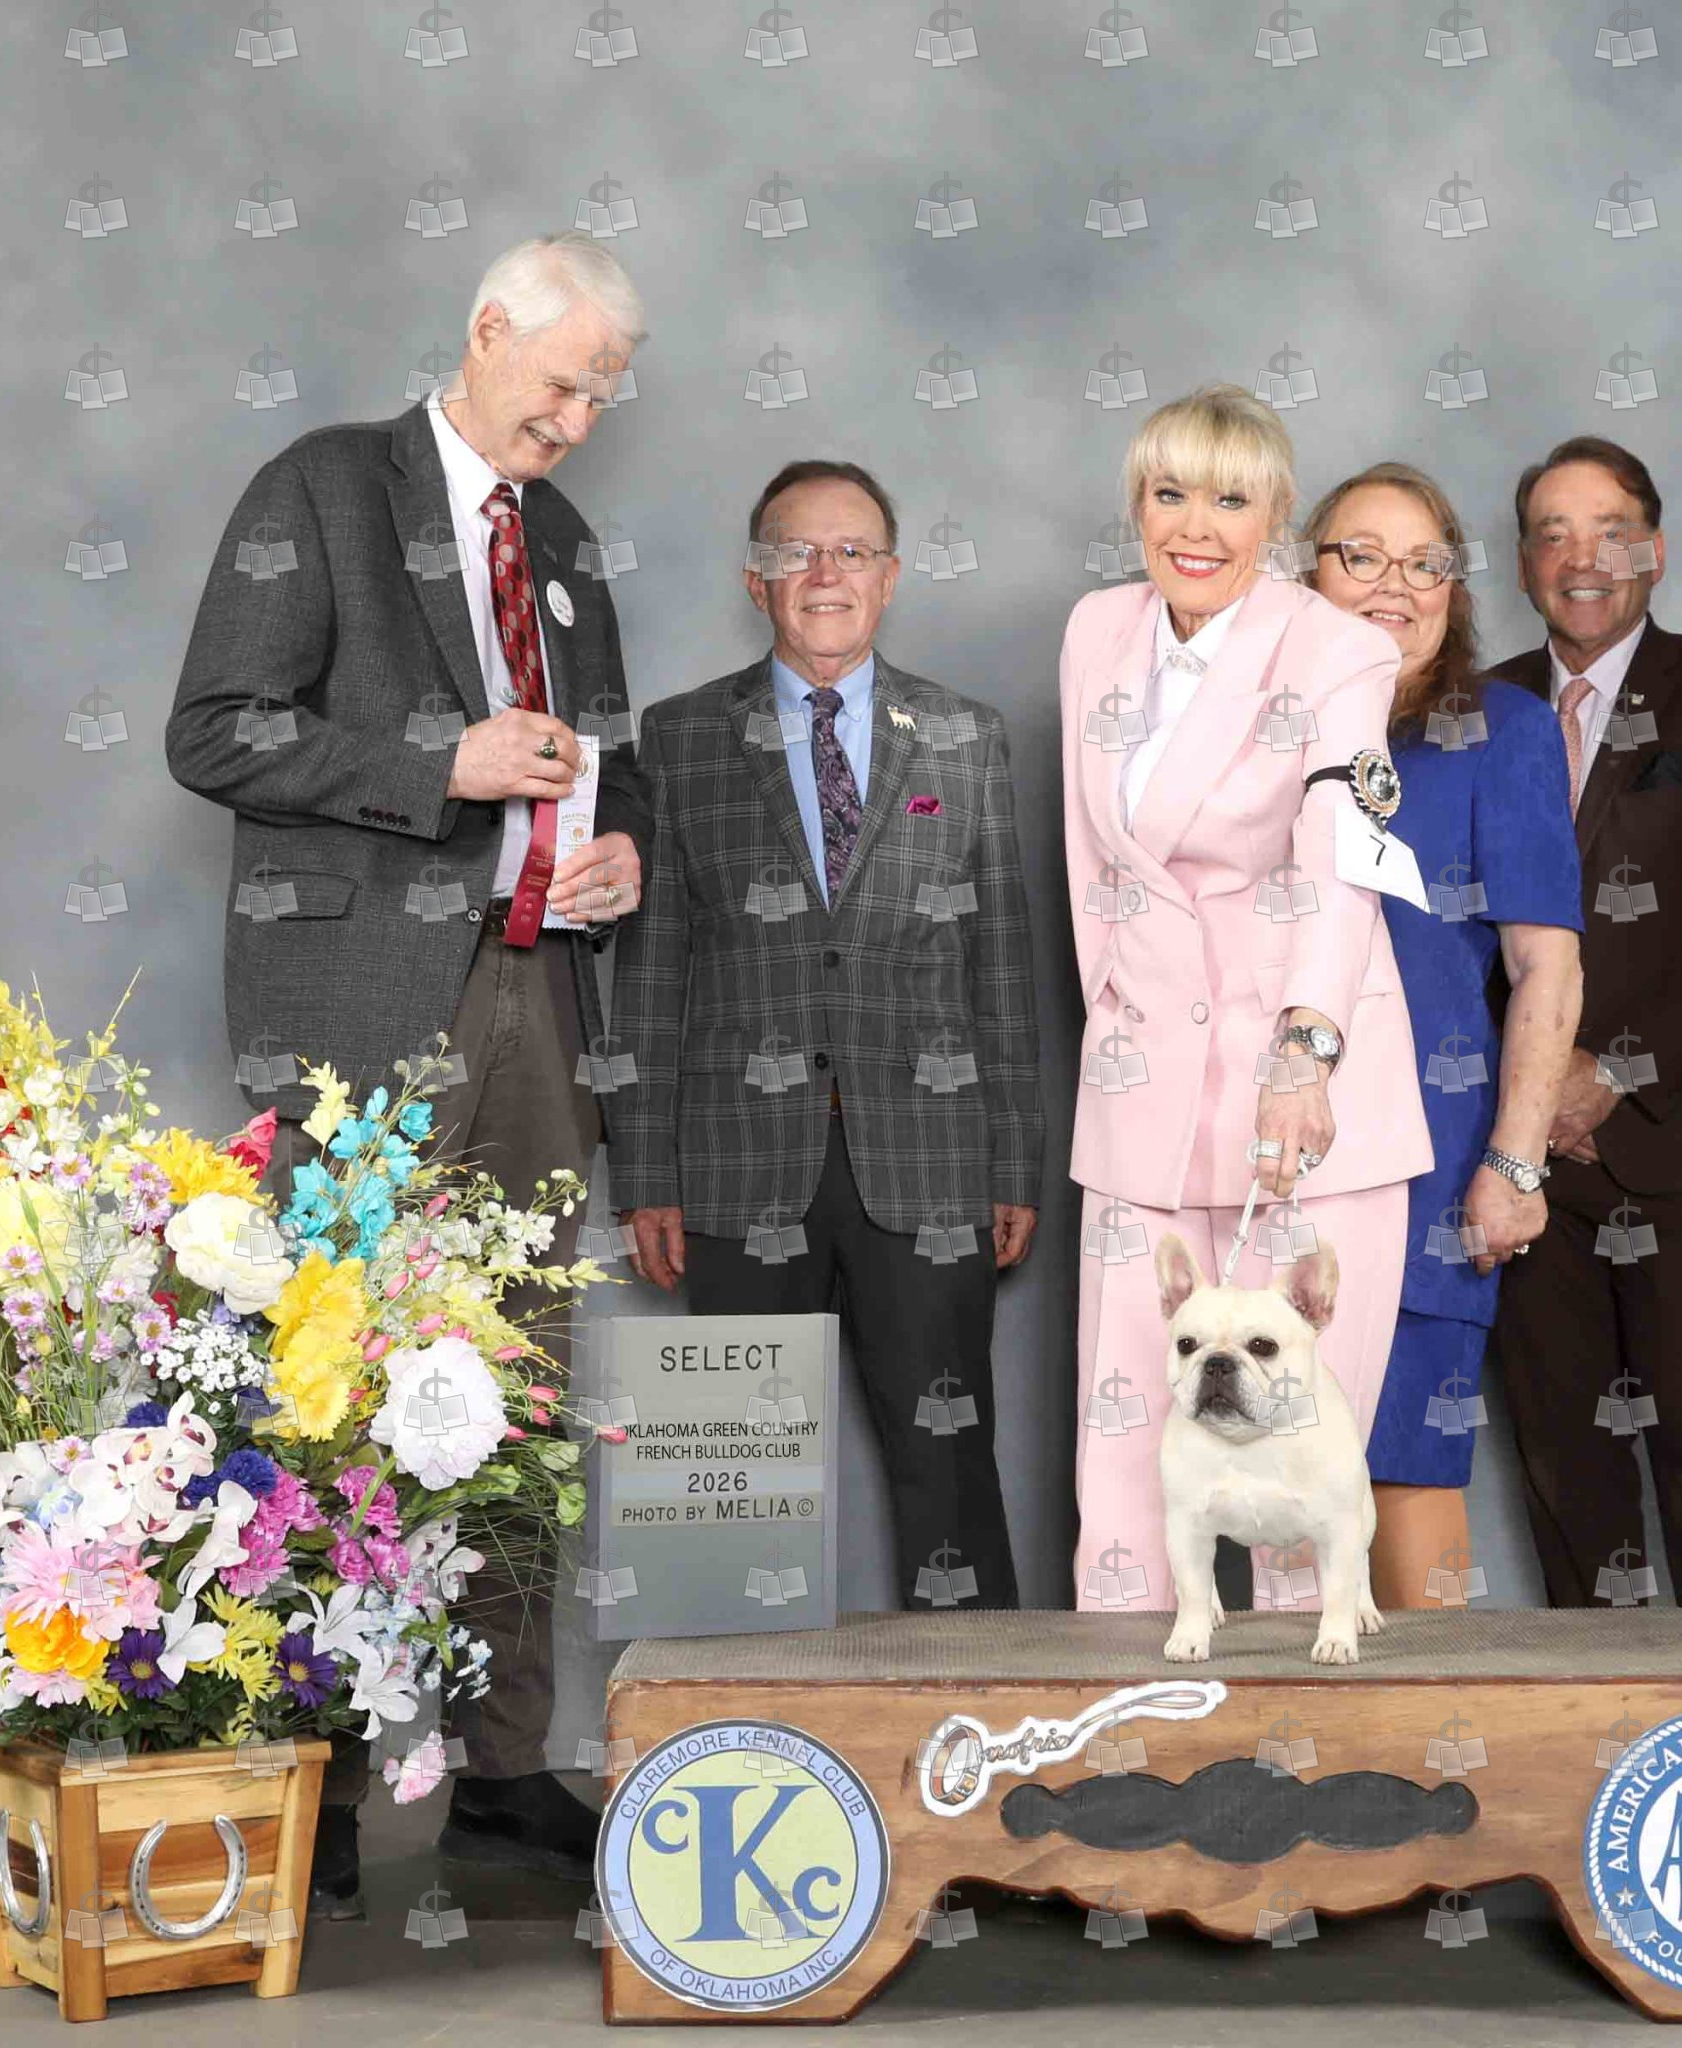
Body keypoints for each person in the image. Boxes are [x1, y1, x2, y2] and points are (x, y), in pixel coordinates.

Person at [165, 231, 651, 1912]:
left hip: (539, 994)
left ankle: (504, 1762)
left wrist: (620, 860)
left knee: (520, 1384)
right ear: (487, 329)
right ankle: (322, 1775)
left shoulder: (563, 540)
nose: (576, 421)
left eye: (602, 399)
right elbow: (214, 729)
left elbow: (601, 767)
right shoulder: (322, 488)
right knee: (336, 1381)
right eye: (563, 383)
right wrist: (441, 761)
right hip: (360, 1011)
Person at [610, 459, 1040, 1612]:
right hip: (736, 1164)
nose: (824, 572)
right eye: (795, 551)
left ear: (889, 577)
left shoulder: (963, 735)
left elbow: (1002, 964)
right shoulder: (681, 737)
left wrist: (1012, 1160)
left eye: (851, 550)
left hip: (931, 1162)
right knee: (727, 1487)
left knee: (948, 1471)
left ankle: (971, 1700)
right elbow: (652, 968)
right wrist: (645, 1171)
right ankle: (728, 1706)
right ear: (755, 579)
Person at [1061, 386, 1430, 1616]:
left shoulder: (1338, 648)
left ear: (1276, 515)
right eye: (1170, 493)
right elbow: (1093, 866)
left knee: (1296, 1462)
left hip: (1307, 1100)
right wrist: (1116, 1025)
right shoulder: (1094, 631)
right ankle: (1122, 1707)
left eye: (1230, 498)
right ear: (1136, 504)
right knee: (1124, 1460)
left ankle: (1297, 1723)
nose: (1197, 526)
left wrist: (1305, 1053)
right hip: (1141, 1095)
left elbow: (1339, 854)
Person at [1481, 437, 1682, 1612]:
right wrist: (1528, 1084)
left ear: (1655, 550)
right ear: (1522, 562)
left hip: (1678, 1152)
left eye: (1611, 530)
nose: (1583, 558)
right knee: (1565, 1474)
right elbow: (1439, 933)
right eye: (1553, 534)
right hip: (1519, 1163)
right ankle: (1599, 1712)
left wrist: (1617, 1067)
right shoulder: (1473, 709)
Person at [1300, 463, 1582, 1608]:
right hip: (1267, 1160)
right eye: (1360, 556)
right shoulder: (1255, 728)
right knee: (1271, 1485)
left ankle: (1439, 1717)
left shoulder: (1501, 732)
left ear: (1455, 591)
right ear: (1305, 574)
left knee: (1407, 1468)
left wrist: (1515, 1160)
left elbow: (1545, 965)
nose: (1395, 585)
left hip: (1428, 1164)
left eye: (1425, 563)